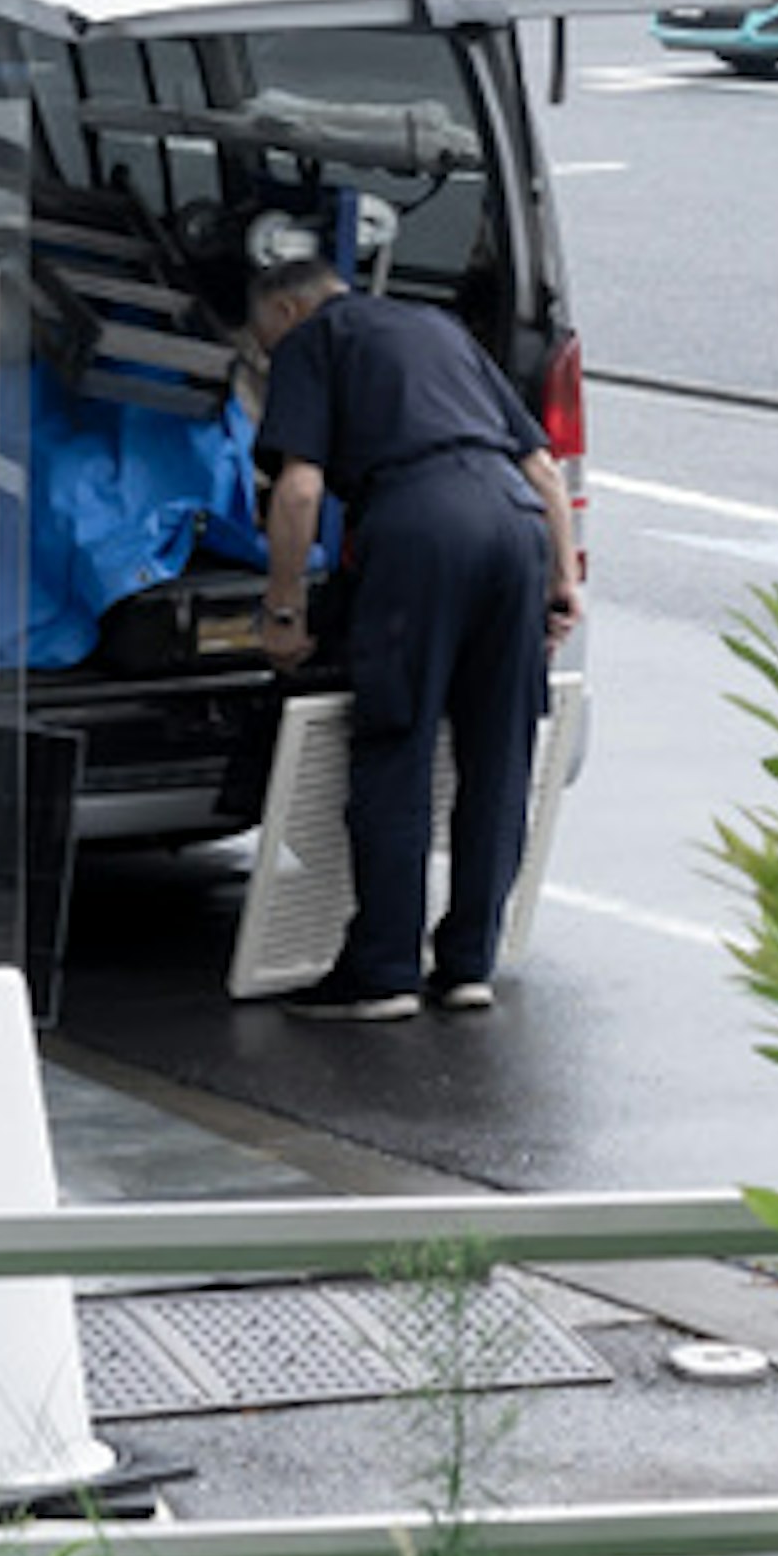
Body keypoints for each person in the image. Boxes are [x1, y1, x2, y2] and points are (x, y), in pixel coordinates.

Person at [237, 207, 583, 1015]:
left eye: (262, 344)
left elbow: (300, 488)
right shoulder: (439, 328)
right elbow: (543, 467)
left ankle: (384, 971)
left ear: (287, 311)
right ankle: (468, 965)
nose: (265, 359)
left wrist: (283, 612)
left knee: (396, 742)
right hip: (514, 526)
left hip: (421, 528)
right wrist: (563, 582)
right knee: (499, 756)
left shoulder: (314, 342)